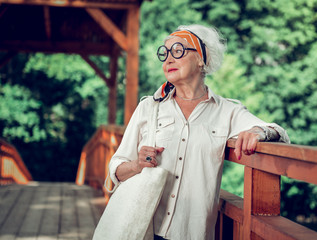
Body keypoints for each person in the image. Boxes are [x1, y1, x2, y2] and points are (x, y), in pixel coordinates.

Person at [108, 24, 290, 240]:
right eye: (164, 53)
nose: (168, 59)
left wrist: (258, 131)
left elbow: (278, 131)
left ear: (202, 59)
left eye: (178, 51)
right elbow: (116, 169)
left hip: (192, 233)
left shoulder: (227, 111)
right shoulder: (149, 107)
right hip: (144, 231)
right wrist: (138, 165)